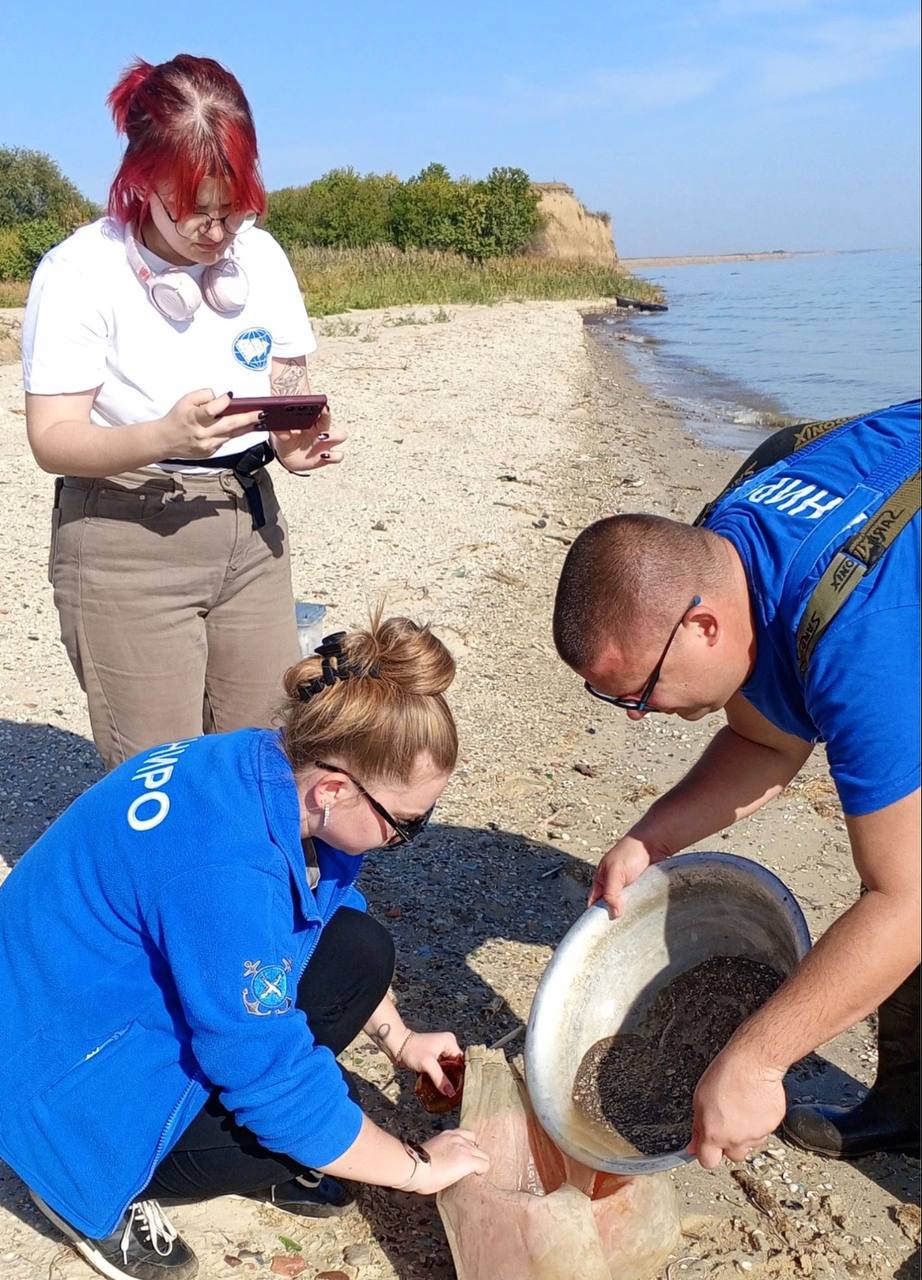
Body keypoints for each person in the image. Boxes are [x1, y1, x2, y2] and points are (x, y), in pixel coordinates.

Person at [0, 616, 489, 1280]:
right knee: (277, 1138)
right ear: (335, 789)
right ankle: (84, 1185)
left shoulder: (264, 764)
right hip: (57, 1074)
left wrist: (400, 1041)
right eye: (407, 822)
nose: (409, 837)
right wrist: (418, 1169)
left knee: (359, 951)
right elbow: (273, 1086)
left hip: (81, 993)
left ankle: (243, 1144)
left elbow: (323, 911)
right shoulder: (227, 875)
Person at [552, 400, 920, 1170]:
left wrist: (756, 1061)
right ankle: (911, 1103)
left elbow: (905, 900)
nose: (637, 717)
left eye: (639, 692)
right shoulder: (731, 539)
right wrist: (649, 837)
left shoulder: (858, 637)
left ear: (702, 627)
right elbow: (767, 739)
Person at [22, 54, 346, 770]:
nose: (216, 230)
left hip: (250, 529)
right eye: (194, 209)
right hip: (125, 536)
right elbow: (52, 439)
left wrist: (294, 449)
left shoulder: (261, 259)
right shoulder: (79, 273)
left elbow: (287, 388)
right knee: (157, 775)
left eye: (232, 207)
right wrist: (165, 435)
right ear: (140, 183)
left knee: (266, 755)